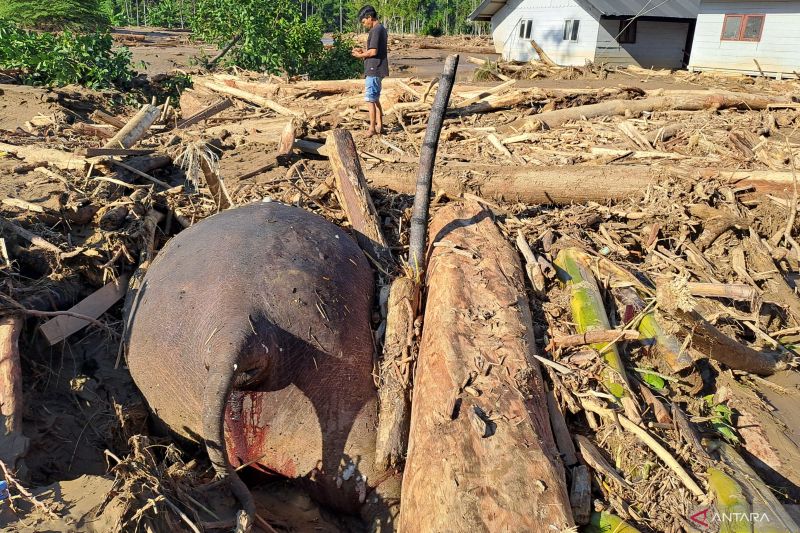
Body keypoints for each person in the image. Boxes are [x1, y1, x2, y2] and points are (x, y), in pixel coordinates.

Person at [351, 5, 389, 137]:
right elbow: (373, 50)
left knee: (370, 99)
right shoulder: (381, 29)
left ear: (369, 17)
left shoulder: (375, 30)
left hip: (374, 68)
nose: (364, 25)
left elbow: (373, 51)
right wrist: (363, 52)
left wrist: (360, 55)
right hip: (379, 67)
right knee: (375, 98)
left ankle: (372, 128)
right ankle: (380, 125)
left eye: (364, 22)